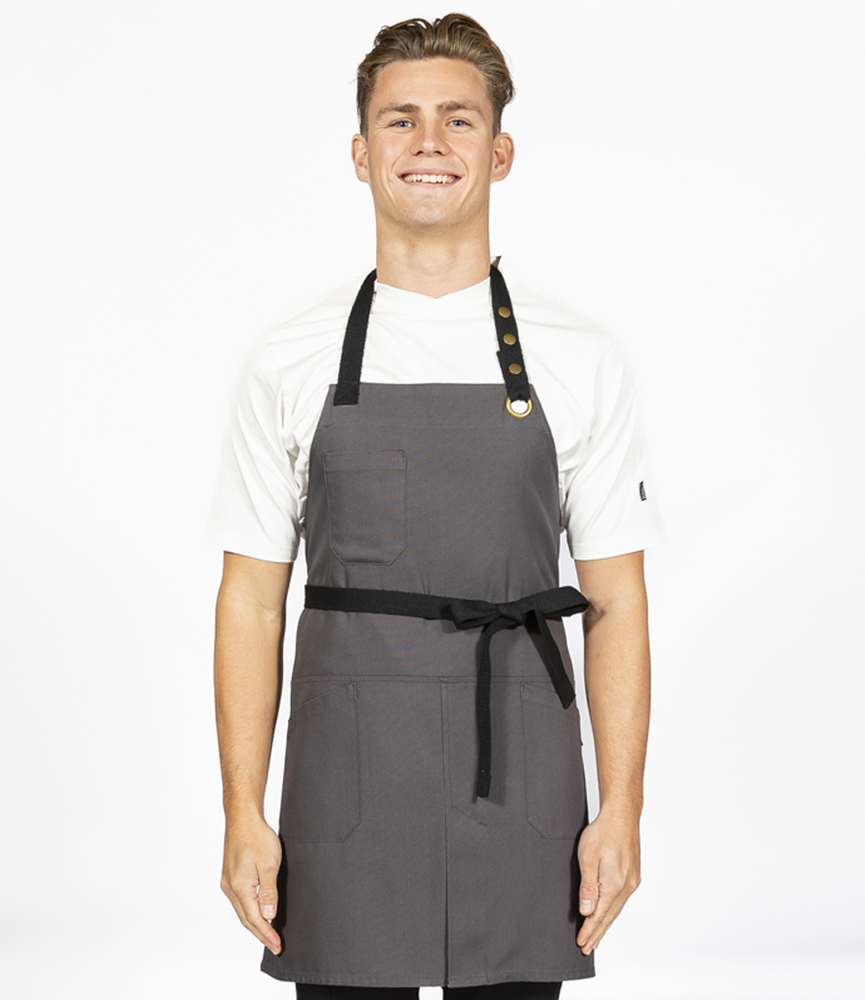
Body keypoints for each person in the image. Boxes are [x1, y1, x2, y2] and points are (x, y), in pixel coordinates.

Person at [206, 13, 664, 1000]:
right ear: (360, 152)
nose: (428, 142)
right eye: (400, 119)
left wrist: (621, 808)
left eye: (457, 119)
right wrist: (242, 810)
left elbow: (617, 600)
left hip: (521, 767)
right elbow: (250, 600)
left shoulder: (579, 356)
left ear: (499, 152)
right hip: (349, 774)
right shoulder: (288, 358)